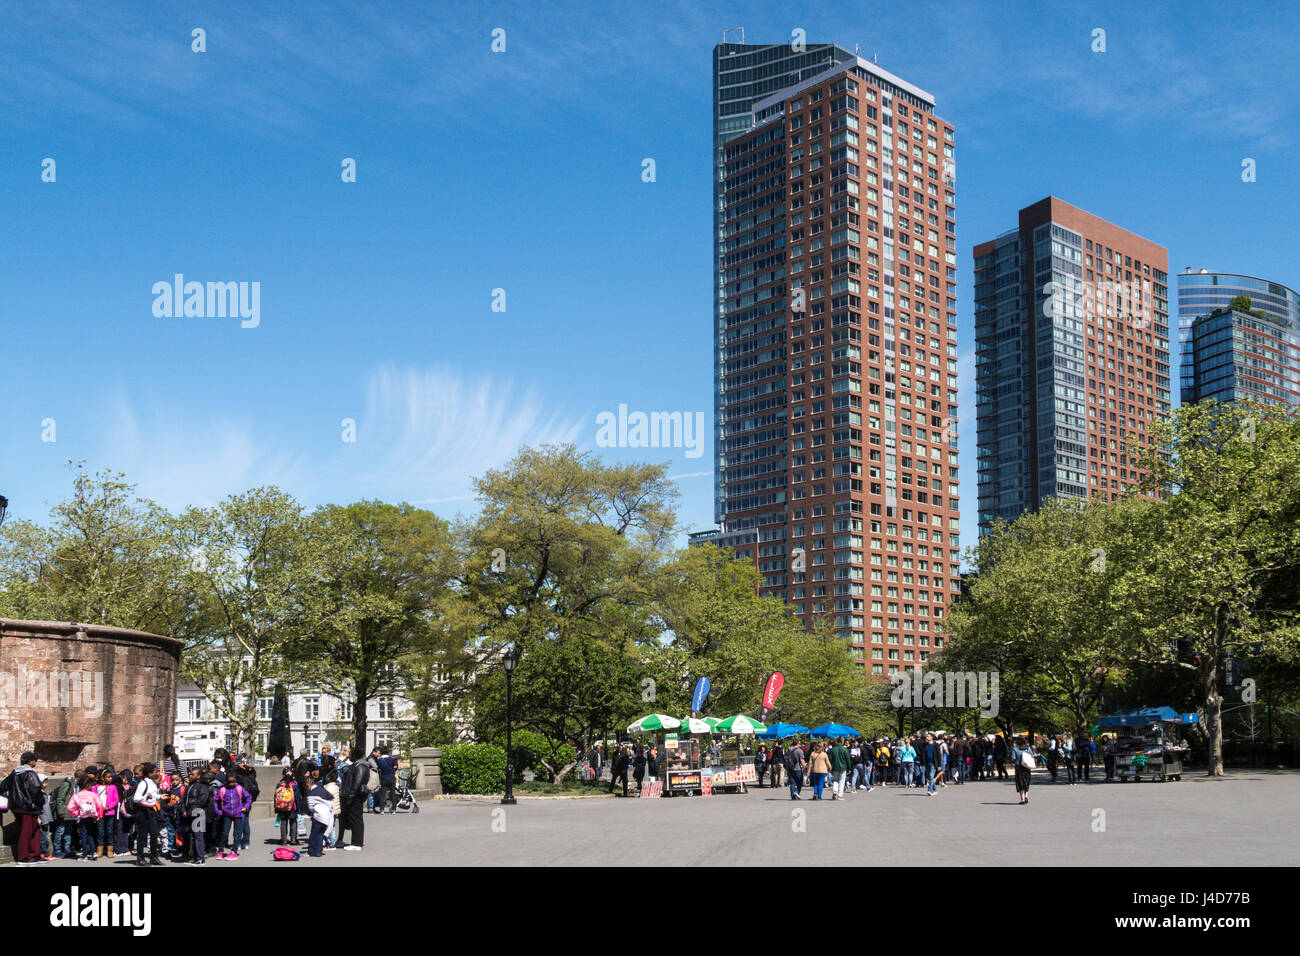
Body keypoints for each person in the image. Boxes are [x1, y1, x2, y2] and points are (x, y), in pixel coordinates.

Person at [0, 752, 48, 865]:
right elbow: (35, 789)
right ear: (30, 761)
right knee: (27, 832)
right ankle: (23, 857)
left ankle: (35, 855)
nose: (35, 762)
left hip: (17, 807)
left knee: (34, 830)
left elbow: (3, 786)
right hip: (28, 807)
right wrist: (41, 802)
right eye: (34, 760)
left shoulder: (15, 773)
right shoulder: (30, 773)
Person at [130, 763, 164, 866]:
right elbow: (136, 798)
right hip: (142, 810)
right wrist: (146, 797)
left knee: (154, 834)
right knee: (142, 835)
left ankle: (154, 857)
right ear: (149, 773)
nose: (156, 773)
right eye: (155, 772)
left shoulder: (153, 783)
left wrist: (160, 796)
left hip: (151, 810)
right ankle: (140, 858)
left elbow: (153, 796)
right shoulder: (143, 783)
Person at [212, 770, 251, 860]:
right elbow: (215, 800)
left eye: (233, 781)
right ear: (226, 780)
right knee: (224, 833)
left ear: (236, 780)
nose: (231, 784)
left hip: (239, 814)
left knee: (237, 834)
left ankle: (234, 851)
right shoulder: (223, 789)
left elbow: (248, 797)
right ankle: (220, 850)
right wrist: (218, 811)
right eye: (229, 782)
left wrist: (246, 807)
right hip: (226, 814)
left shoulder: (239, 788)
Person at [66, 775, 105, 861]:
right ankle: (94, 852)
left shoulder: (76, 795)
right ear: (87, 785)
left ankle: (84, 855)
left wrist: (76, 813)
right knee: (90, 834)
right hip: (91, 816)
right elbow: (99, 805)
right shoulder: (93, 794)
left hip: (82, 817)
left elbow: (69, 807)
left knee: (83, 835)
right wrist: (99, 816)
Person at [338, 747, 368, 851]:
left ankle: (357, 843)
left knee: (356, 818)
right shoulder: (358, 765)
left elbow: (357, 782)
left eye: (351, 753)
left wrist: (351, 796)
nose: (349, 755)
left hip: (355, 796)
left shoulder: (360, 766)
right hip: (354, 795)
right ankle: (357, 841)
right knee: (354, 818)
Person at [232, 756, 259, 849]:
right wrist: (250, 770)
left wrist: (238, 768)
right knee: (245, 820)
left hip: (241, 799)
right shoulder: (250, 774)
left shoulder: (240, 775)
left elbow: (232, 776)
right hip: (248, 799)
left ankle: (239, 842)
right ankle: (246, 842)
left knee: (240, 821)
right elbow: (253, 775)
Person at [51, 773, 78, 859]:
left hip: (70, 812)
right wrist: (61, 811)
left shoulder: (75, 785)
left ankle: (67, 849)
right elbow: (60, 798)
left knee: (69, 831)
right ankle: (57, 849)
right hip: (64, 812)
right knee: (60, 830)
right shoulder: (67, 784)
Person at [307, 774, 334, 857]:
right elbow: (331, 797)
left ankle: (312, 851)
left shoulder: (311, 793)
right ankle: (318, 851)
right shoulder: (321, 789)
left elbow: (310, 806)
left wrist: (314, 809)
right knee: (321, 835)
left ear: (308, 784)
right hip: (327, 815)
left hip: (318, 816)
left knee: (314, 834)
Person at [273, 770, 300, 844]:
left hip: (282, 807)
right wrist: (298, 809)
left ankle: (284, 840)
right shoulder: (294, 785)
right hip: (292, 807)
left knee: (283, 822)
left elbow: (275, 797)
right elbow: (297, 798)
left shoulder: (280, 785)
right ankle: (293, 839)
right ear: (293, 777)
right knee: (293, 822)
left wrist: (276, 808)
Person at [375, 747, 399, 813]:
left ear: (381, 752)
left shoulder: (379, 760)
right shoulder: (392, 759)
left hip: (383, 777)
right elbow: (396, 767)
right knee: (393, 793)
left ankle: (382, 809)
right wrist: (393, 770)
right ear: (388, 752)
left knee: (382, 794)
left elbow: (378, 768)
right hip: (391, 777)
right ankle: (394, 809)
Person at [323, 769, 342, 848]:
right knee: (332, 825)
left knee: (328, 825)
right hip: (335, 809)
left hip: (329, 809)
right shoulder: (336, 787)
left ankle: (330, 842)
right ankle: (332, 842)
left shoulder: (327, 787)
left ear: (328, 778)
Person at [1013, 737, 1034, 805]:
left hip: (1019, 767)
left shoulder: (1015, 749)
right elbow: (1032, 756)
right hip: (1027, 766)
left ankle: (1022, 799)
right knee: (1026, 781)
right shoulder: (1028, 748)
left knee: (1020, 782)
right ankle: (1026, 797)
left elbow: (1013, 758)